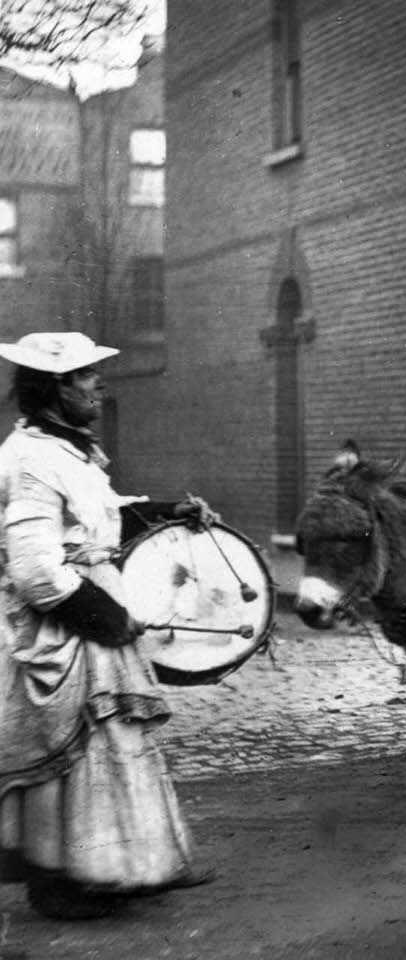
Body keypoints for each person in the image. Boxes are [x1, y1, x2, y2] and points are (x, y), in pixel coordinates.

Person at [0, 332, 214, 920]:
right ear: (55, 388)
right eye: (87, 376)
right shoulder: (30, 459)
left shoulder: (66, 449)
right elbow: (35, 569)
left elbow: (95, 520)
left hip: (88, 610)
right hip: (61, 625)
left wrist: (166, 512)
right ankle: (57, 883)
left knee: (110, 739)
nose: (99, 385)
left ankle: (120, 866)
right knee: (70, 747)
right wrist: (105, 616)